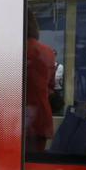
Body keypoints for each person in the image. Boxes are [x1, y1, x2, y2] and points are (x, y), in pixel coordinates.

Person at [25, 12, 55, 152]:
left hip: (14, 118)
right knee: (35, 164)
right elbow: (51, 86)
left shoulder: (10, 50)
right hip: (41, 114)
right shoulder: (48, 52)